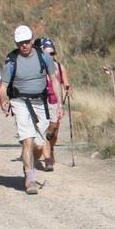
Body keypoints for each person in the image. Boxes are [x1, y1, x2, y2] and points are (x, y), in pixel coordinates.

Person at [0, 25, 57, 195]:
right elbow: (3, 87)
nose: (24, 45)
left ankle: (28, 164)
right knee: (27, 140)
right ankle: (30, 178)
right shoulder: (11, 62)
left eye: (27, 42)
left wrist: (58, 104)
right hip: (20, 101)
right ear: (16, 43)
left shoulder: (44, 58)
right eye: (20, 43)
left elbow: (54, 79)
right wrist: (3, 100)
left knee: (39, 144)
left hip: (41, 102)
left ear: (32, 40)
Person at [38, 37, 70, 171]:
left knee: (54, 130)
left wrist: (68, 89)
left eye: (52, 53)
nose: (50, 56)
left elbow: (66, 82)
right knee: (45, 128)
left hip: (55, 101)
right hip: (41, 100)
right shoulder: (37, 66)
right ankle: (48, 159)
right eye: (47, 53)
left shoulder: (59, 66)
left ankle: (51, 148)